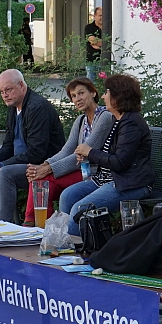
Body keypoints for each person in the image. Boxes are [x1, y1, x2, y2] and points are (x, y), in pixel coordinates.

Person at [0, 69, 65, 224]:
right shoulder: (13, 107)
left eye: (8, 90)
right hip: (20, 166)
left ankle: (2, 229)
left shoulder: (37, 107)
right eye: (1, 91)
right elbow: (8, 145)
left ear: (22, 85)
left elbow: (37, 153)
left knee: (5, 173)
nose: (4, 95)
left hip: (42, 168)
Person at [60, 72, 155, 217]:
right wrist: (88, 156)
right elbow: (110, 155)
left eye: (107, 92)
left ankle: (78, 239)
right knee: (68, 196)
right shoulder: (118, 120)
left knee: (79, 209)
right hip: (108, 179)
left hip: (130, 184)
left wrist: (90, 152)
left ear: (118, 96)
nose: (103, 96)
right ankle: (65, 237)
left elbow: (120, 162)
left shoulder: (131, 124)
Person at [25, 77, 114, 225]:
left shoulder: (104, 116)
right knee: (40, 181)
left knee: (42, 178)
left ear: (93, 93)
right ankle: (43, 228)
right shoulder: (80, 121)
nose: (77, 99)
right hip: (80, 172)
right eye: (73, 96)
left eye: (81, 93)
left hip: (96, 174)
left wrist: (48, 169)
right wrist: (43, 166)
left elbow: (84, 153)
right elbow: (66, 151)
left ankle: (36, 226)